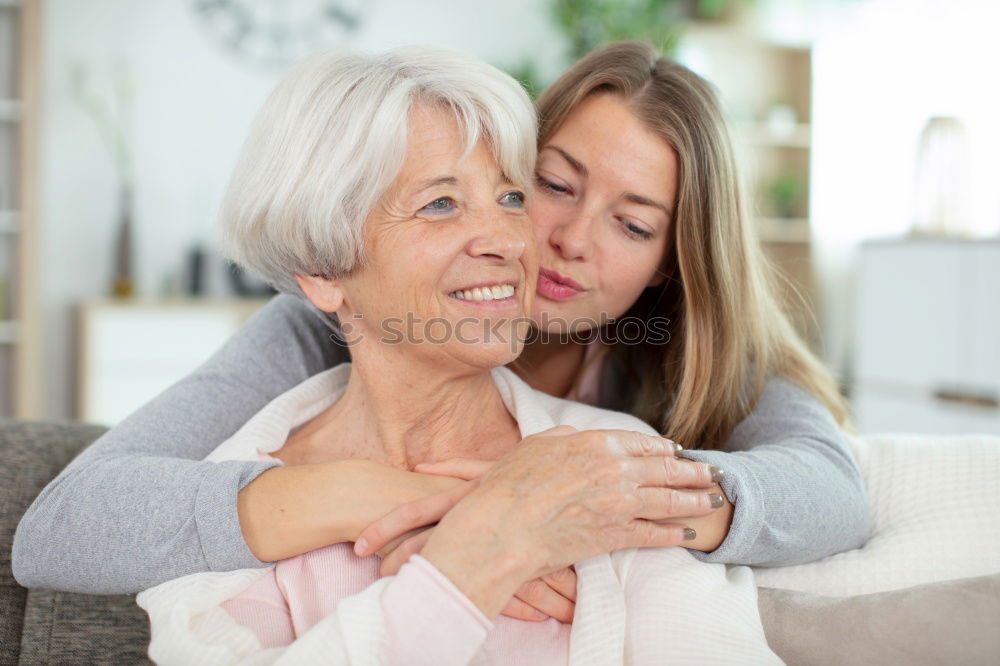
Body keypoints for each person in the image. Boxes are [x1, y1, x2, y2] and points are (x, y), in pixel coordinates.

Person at [13, 42, 869, 624]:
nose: (569, 239)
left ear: (671, 265)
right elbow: (69, 526)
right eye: (550, 185)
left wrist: (601, 501)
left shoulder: (688, 350)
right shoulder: (323, 326)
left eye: (634, 225)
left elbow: (831, 488)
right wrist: (454, 507)